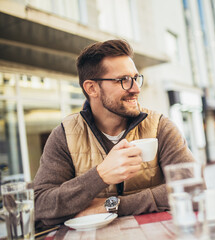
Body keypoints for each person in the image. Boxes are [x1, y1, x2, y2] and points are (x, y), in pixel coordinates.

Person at [34, 39, 195, 227]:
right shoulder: (65, 135)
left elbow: (192, 187)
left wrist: (114, 205)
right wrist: (100, 176)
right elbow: (41, 206)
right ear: (92, 88)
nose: (136, 88)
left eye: (135, 78)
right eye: (124, 80)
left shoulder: (160, 126)